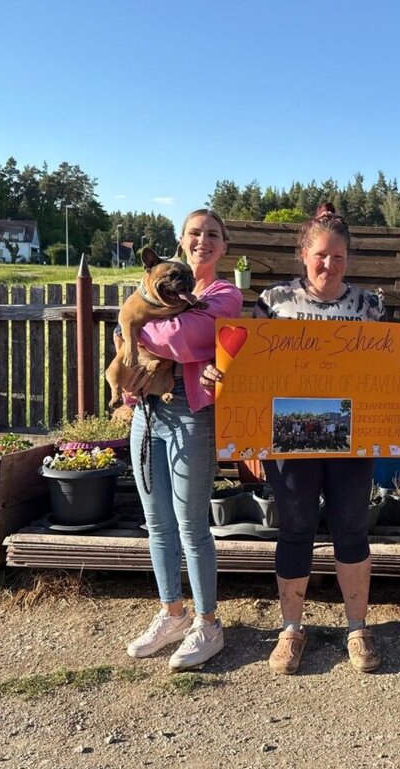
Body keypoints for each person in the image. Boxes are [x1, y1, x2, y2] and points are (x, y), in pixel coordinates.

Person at [202, 202, 386, 676]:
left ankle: (357, 628)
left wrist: (398, 377)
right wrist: (220, 374)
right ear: (304, 254)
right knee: (296, 529)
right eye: (321, 255)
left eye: (339, 257)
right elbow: (248, 367)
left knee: (352, 527)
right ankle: (290, 629)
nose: (329, 264)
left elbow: (380, 367)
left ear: (349, 259)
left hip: (352, 434)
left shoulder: (369, 304)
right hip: (289, 435)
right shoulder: (274, 300)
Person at [123, 209, 243, 670]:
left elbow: (185, 338)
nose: (203, 241)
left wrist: (135, 328)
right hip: (146, 412)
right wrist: (129, 331)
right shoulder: (162, 284)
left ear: (224, 245)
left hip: (190, 413)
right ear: (181, 240)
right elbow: (123, 331)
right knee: (156, 523)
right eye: (195, 233)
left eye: (213, 234)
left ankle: (207, 622)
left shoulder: (223, 294)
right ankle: (172, 612)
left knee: (191, 525)